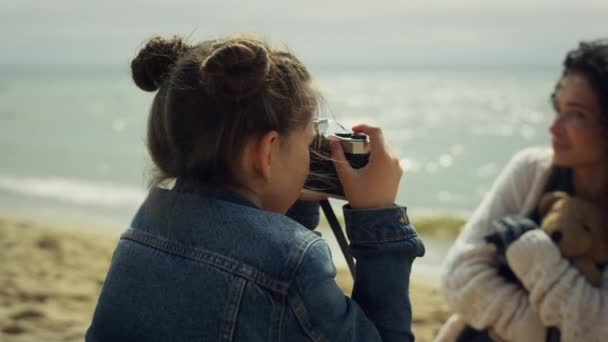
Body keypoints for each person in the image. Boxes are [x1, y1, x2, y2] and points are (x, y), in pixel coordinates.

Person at [85, 35, 425, 341]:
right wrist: (377, 216)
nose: (313, 154)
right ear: (267, 152)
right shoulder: (292, 263)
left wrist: (288, 193)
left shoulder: (144, 227)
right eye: (308, 143)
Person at [437, 40, 608, 342]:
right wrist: (538, 333)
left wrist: (536, 256)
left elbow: (597, 327)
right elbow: (458, 276)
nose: (554, 127)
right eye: (558, 108)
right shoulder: (533, 170)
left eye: (577, 114)